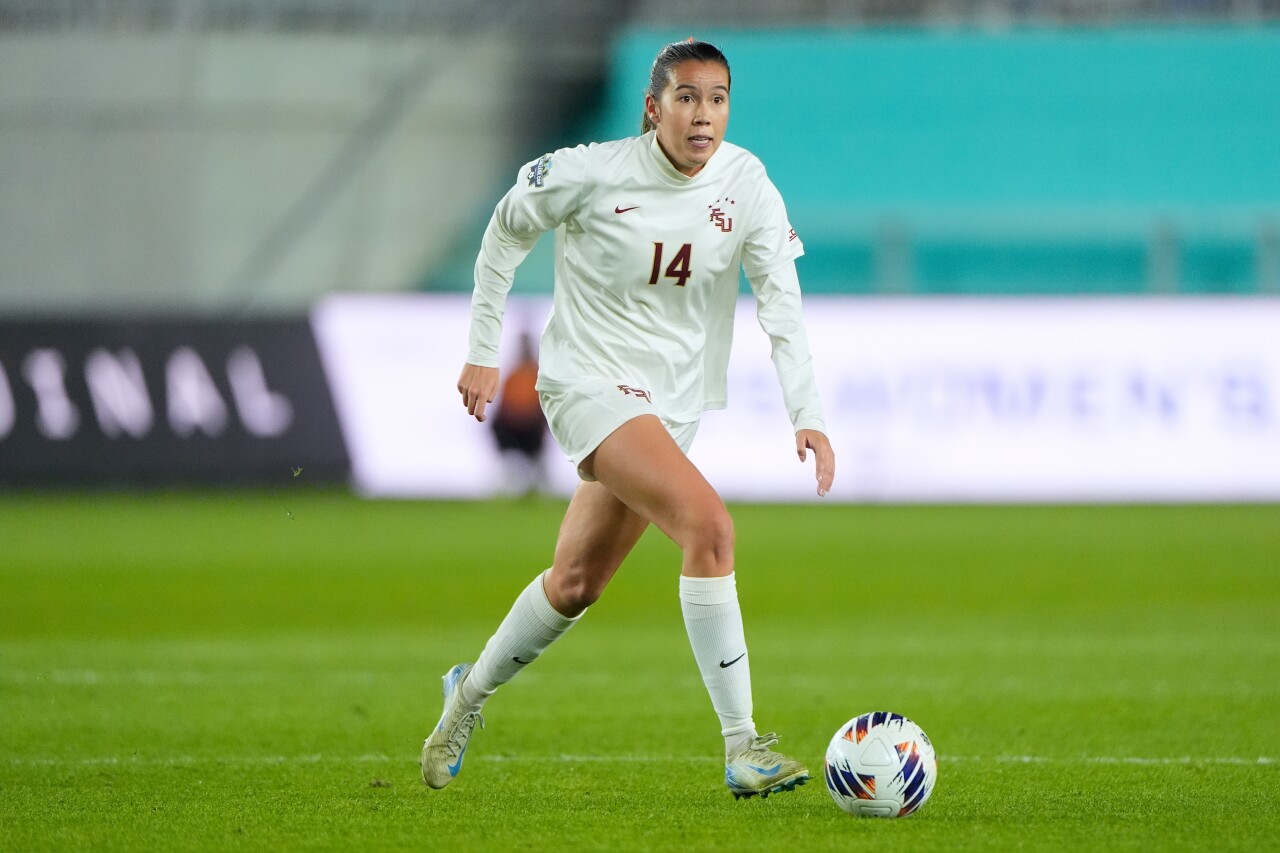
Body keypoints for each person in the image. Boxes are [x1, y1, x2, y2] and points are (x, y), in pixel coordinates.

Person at [423, 39, 835, 799]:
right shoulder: (589, 171)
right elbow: (504, 233)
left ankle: (467, 693)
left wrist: (807, 412)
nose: (702, 115)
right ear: (653, 108)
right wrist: (484, 348)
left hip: (670, 405)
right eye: (686, 97)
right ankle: (744, 745)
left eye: (716, 99)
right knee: (709, 526)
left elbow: (782, 303)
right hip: (587, 382)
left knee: (575, 582)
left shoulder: (747, 185)